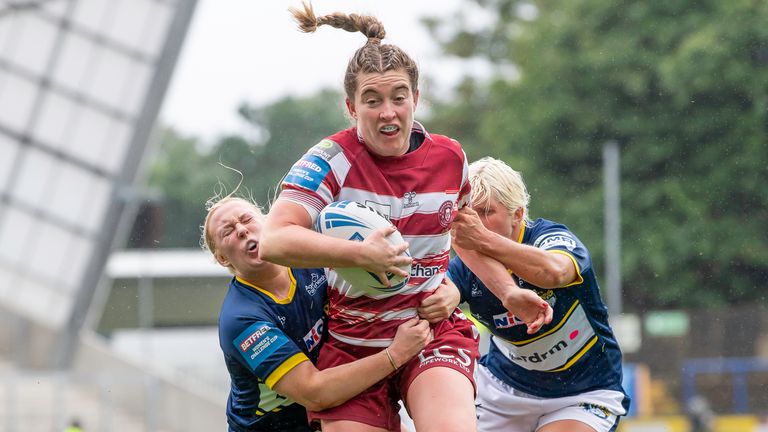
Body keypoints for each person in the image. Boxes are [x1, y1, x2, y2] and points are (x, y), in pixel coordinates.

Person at [260, 4, 552, 431]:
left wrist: (507, 292)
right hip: (354, 344)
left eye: (399, 97)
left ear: (416, 98)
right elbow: (274, 240)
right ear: (350, 107)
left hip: (430, 330)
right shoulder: (328, 160)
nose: (388, 112)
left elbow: (466, 237)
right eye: (372, 100)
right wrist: (362, 255)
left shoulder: (451, 158)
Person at [203, 193, 458, 431]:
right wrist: (396, 354)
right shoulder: (242, 318)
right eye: (228, 232)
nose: (242, 229)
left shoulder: (312, 259)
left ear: (268, 221)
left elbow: (393, 285)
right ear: (223, 259)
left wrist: (451, 291)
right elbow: (313, 392)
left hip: (339, 405)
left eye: (247, 219)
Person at [447, 157, 631, 432]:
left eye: (487, 212)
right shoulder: (466, 265)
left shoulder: (549, 237)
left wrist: (483, 241)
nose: (477, 223)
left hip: (583, 392)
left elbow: (555, 271)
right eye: (471, 213)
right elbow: (442, 296)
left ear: (518, 214)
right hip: (502, 390)